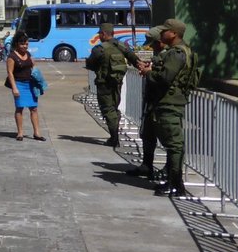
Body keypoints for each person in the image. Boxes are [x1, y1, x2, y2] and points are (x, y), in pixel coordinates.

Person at [139, 18, 199, 197]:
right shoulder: (180, 51)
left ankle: (176, 185)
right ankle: (172, 181)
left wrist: (149, 73)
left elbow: (164, 78)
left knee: (174, 144)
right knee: (173, 144)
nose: (162, 33)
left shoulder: (176, 53)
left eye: (165, 30)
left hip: (169, 103)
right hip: (168, 102)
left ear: (173, 33)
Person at [85, 23, 140, 148]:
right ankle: (114, 135)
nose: (99, 36)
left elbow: (90, 65)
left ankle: (114, 138)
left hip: (104, 84)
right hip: (118, 83)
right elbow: (134, 59)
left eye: (100, 33)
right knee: (114, 108)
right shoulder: (122, 46)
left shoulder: (99, 49)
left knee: (108, 110)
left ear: (104, 34)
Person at [127, 26, 166, 180]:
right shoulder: (159, 55)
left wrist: (149, 71)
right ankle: (146, 165)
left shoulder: (169, 55)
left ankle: (170, 172)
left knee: (168, 139)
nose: (151, 46)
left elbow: (164, 77)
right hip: (151, 101)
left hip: (162, 102)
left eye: (154, 43)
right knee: (147, 134)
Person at [6, 30, 44, 141]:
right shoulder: (12, 57)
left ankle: (37, 133)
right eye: (22, 44)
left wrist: (34, 65)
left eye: (27, 44)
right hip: (19, 85)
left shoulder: (28, 54)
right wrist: (14, 88)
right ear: (17, 43)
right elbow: (10, 73)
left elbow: (33, 68)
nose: (25, 46)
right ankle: (20, 133)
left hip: (30, 85)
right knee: (19, 108)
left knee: (34, 108)